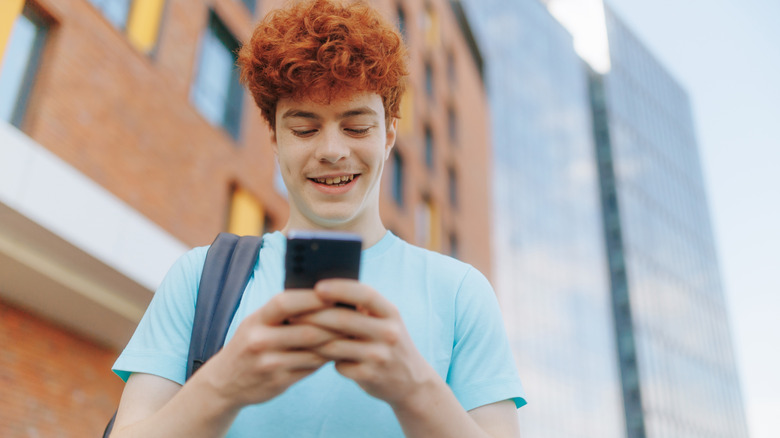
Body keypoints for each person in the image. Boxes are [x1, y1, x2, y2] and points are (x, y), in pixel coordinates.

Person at [109, 0, 526, 436]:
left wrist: (414, 387)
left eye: (357, 127)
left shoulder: (461, 293)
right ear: (274, 136)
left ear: (390, 134)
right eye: (305, 129)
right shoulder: (200, 276)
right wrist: (223, 384)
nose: (331, 150)